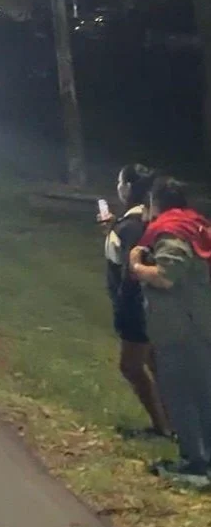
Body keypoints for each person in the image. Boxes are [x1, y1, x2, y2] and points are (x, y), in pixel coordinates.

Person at [131, 177, 211, 485]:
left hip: (180, 328)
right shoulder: (197, 225)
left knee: (181, 396)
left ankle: (194, 463)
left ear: (155, 203)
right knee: (204, 393)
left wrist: (137, 267)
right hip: (201, 322)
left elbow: (167, 276)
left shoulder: (171, 230)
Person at [103, 164, 169, 436]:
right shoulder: (138, 220)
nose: (118, 187)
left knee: (131, 366)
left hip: (135, 307)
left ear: (128, 188)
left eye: (120, 182)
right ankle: (174, 422)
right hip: (146, 305)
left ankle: (162, 425)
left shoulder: (132, 226)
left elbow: (133, 267)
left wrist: (124, 306)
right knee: (155, 364)